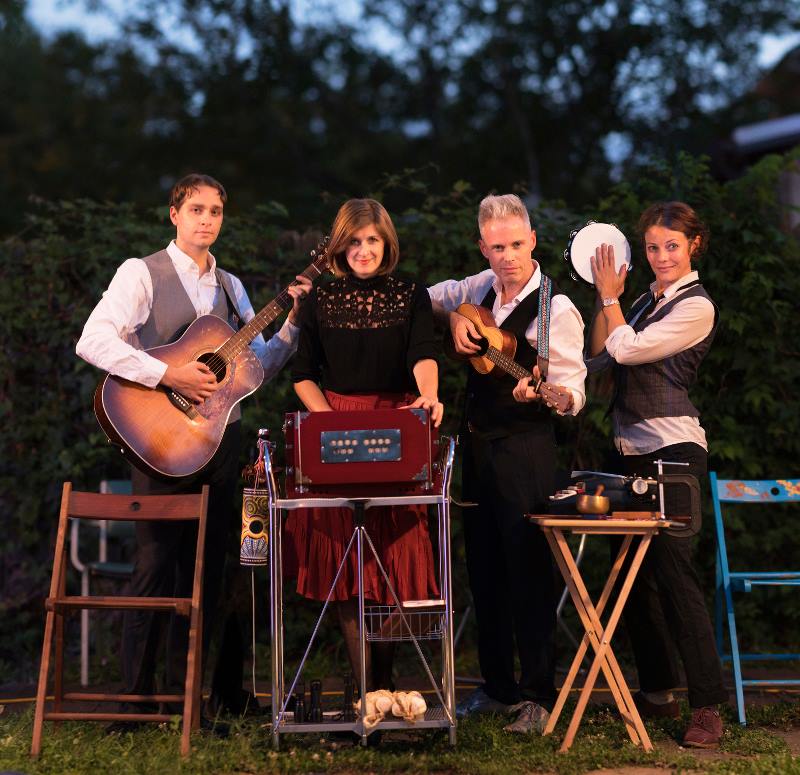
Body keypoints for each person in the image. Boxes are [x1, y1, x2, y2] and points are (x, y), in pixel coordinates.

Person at [76, 173, 313, 725]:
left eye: (216, 211)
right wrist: (168, 375)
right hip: (158, 439)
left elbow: (253, 370)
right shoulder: (141, 273)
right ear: (174, 214)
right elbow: (93, 340)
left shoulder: (231, 288)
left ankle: (206, 699)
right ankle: (136, 704)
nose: (207, 219)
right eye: (196, 209)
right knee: (156, 565)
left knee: (216, 569)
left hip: (218, 442)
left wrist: (291, 328)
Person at [428, 194, 587, 734]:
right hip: (476, 447)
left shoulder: (555, 307)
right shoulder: (477, 289)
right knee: (486, 573)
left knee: (529, 572)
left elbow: (572, 393)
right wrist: (454, 317)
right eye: (497, 247)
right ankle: (496, 688)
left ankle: (539, 695)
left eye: (517, 245)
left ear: (533, 241)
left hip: (526, 450)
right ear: (483, 247)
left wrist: (547, 395)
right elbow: (426, 300)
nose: (508, 257)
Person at [285, 197, 443, 694]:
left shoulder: (412, 293)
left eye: (372, 239)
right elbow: (302, 374)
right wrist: (334, 428)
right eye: (353, 241)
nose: (363, 250)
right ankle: (365, 695)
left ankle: (385, 688)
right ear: (339, 245)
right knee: (346, 567)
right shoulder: (318, 298)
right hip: (332, 422)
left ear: (386, 242)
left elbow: (423, 353)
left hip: (397, 423)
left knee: (394, 560)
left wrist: (430, 395)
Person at [586, 200, 727, 748]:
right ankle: (658, 690)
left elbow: (629, 348)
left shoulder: (698, 308)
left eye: (671, 245)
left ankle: (709, 706)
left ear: (694, 245)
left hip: (674, 453)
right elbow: (601, 358)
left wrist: (608, 298)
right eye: (652, 247)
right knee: (634, 578)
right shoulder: (644, 298)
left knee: (675, 578)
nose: (661, 255)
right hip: (631, 452)